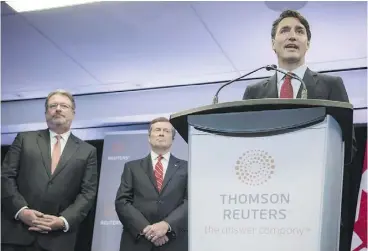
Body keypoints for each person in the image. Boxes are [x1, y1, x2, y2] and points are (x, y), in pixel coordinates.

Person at [1, 90, 98, 251]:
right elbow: (5, 177)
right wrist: (21, 211)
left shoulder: (87, 151)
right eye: (53, 106)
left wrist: (63, 220)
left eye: (64, 106)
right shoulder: (25, 139)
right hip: (16, 234)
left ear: (73, 113)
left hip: (58, 240)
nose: (58, 109)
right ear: (46, 113)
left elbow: (88, 193)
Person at [243, 9, 350, 102]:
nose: (292, 36)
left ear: (307, 44)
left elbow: (341, 125)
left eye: (299, 31)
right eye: (284, 31)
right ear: (273, 44)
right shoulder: (253, 92)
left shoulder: (331, 85)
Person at [115, 117, 188, 251]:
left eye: (166, 131)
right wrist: (147, 230)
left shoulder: (186, 167)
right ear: (149, 137)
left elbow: (190, 202)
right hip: (137, 241)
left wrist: (166, 225)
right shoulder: (132, 167)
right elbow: (122, 201)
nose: (161, 133)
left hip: (173, 242)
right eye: (157, 130)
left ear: (173, 139)